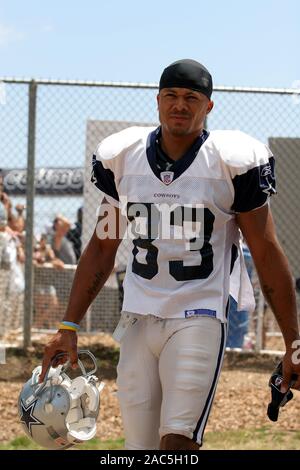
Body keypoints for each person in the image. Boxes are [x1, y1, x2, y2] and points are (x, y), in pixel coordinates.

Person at [40, 59, 300, 450]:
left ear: (207, 106)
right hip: (139, 318)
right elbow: (102, 245)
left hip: (199, 315)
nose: (180, 105)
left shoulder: (231, 162)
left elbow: (265, 252)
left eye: (191, 97)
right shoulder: (123, 157)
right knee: (138, 447)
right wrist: (69, 326)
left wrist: (294, 343)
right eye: (171, 96)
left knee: (177, 443)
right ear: (157, 101)